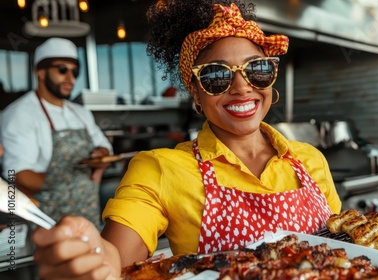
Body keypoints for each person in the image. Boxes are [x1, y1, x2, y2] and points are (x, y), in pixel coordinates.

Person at [31, 1, 342, 279]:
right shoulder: (159, 169)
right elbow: (118, 260)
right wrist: (94, 260)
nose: (242, 87)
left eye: (256, 69)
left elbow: (343, 246)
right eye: (216, 75)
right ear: (195, 91)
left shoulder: (310, 158)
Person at [0, 37, 113, 227]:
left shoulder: (80, 113)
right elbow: (19, 174)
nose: (71, 78)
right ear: (41, 72)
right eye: (62, 70)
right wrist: (65, 184)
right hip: (48, 222)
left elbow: (103, 145)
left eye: (74, 71)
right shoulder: (19, 114)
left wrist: (100, 156)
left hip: (88, 217)